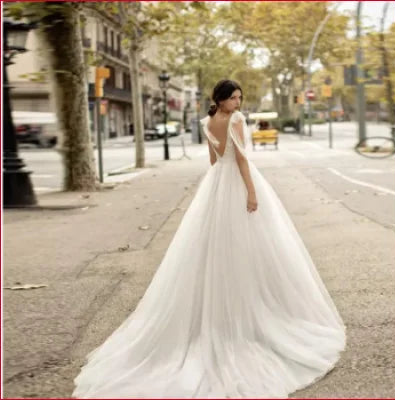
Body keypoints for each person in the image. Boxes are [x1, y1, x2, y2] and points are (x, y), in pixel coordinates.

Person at [72, 79, 346, 399]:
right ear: (221, 99)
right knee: (247, 245)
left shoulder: (207, 122)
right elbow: (241, 159)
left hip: (216, 185)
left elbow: (214, 161)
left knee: (215, 245)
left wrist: (215, 189)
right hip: (237, 183)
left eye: (240, 98)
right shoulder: (236, 121)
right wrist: (252, 192)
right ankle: (247, 318)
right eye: (234, 98)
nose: (239, 103)